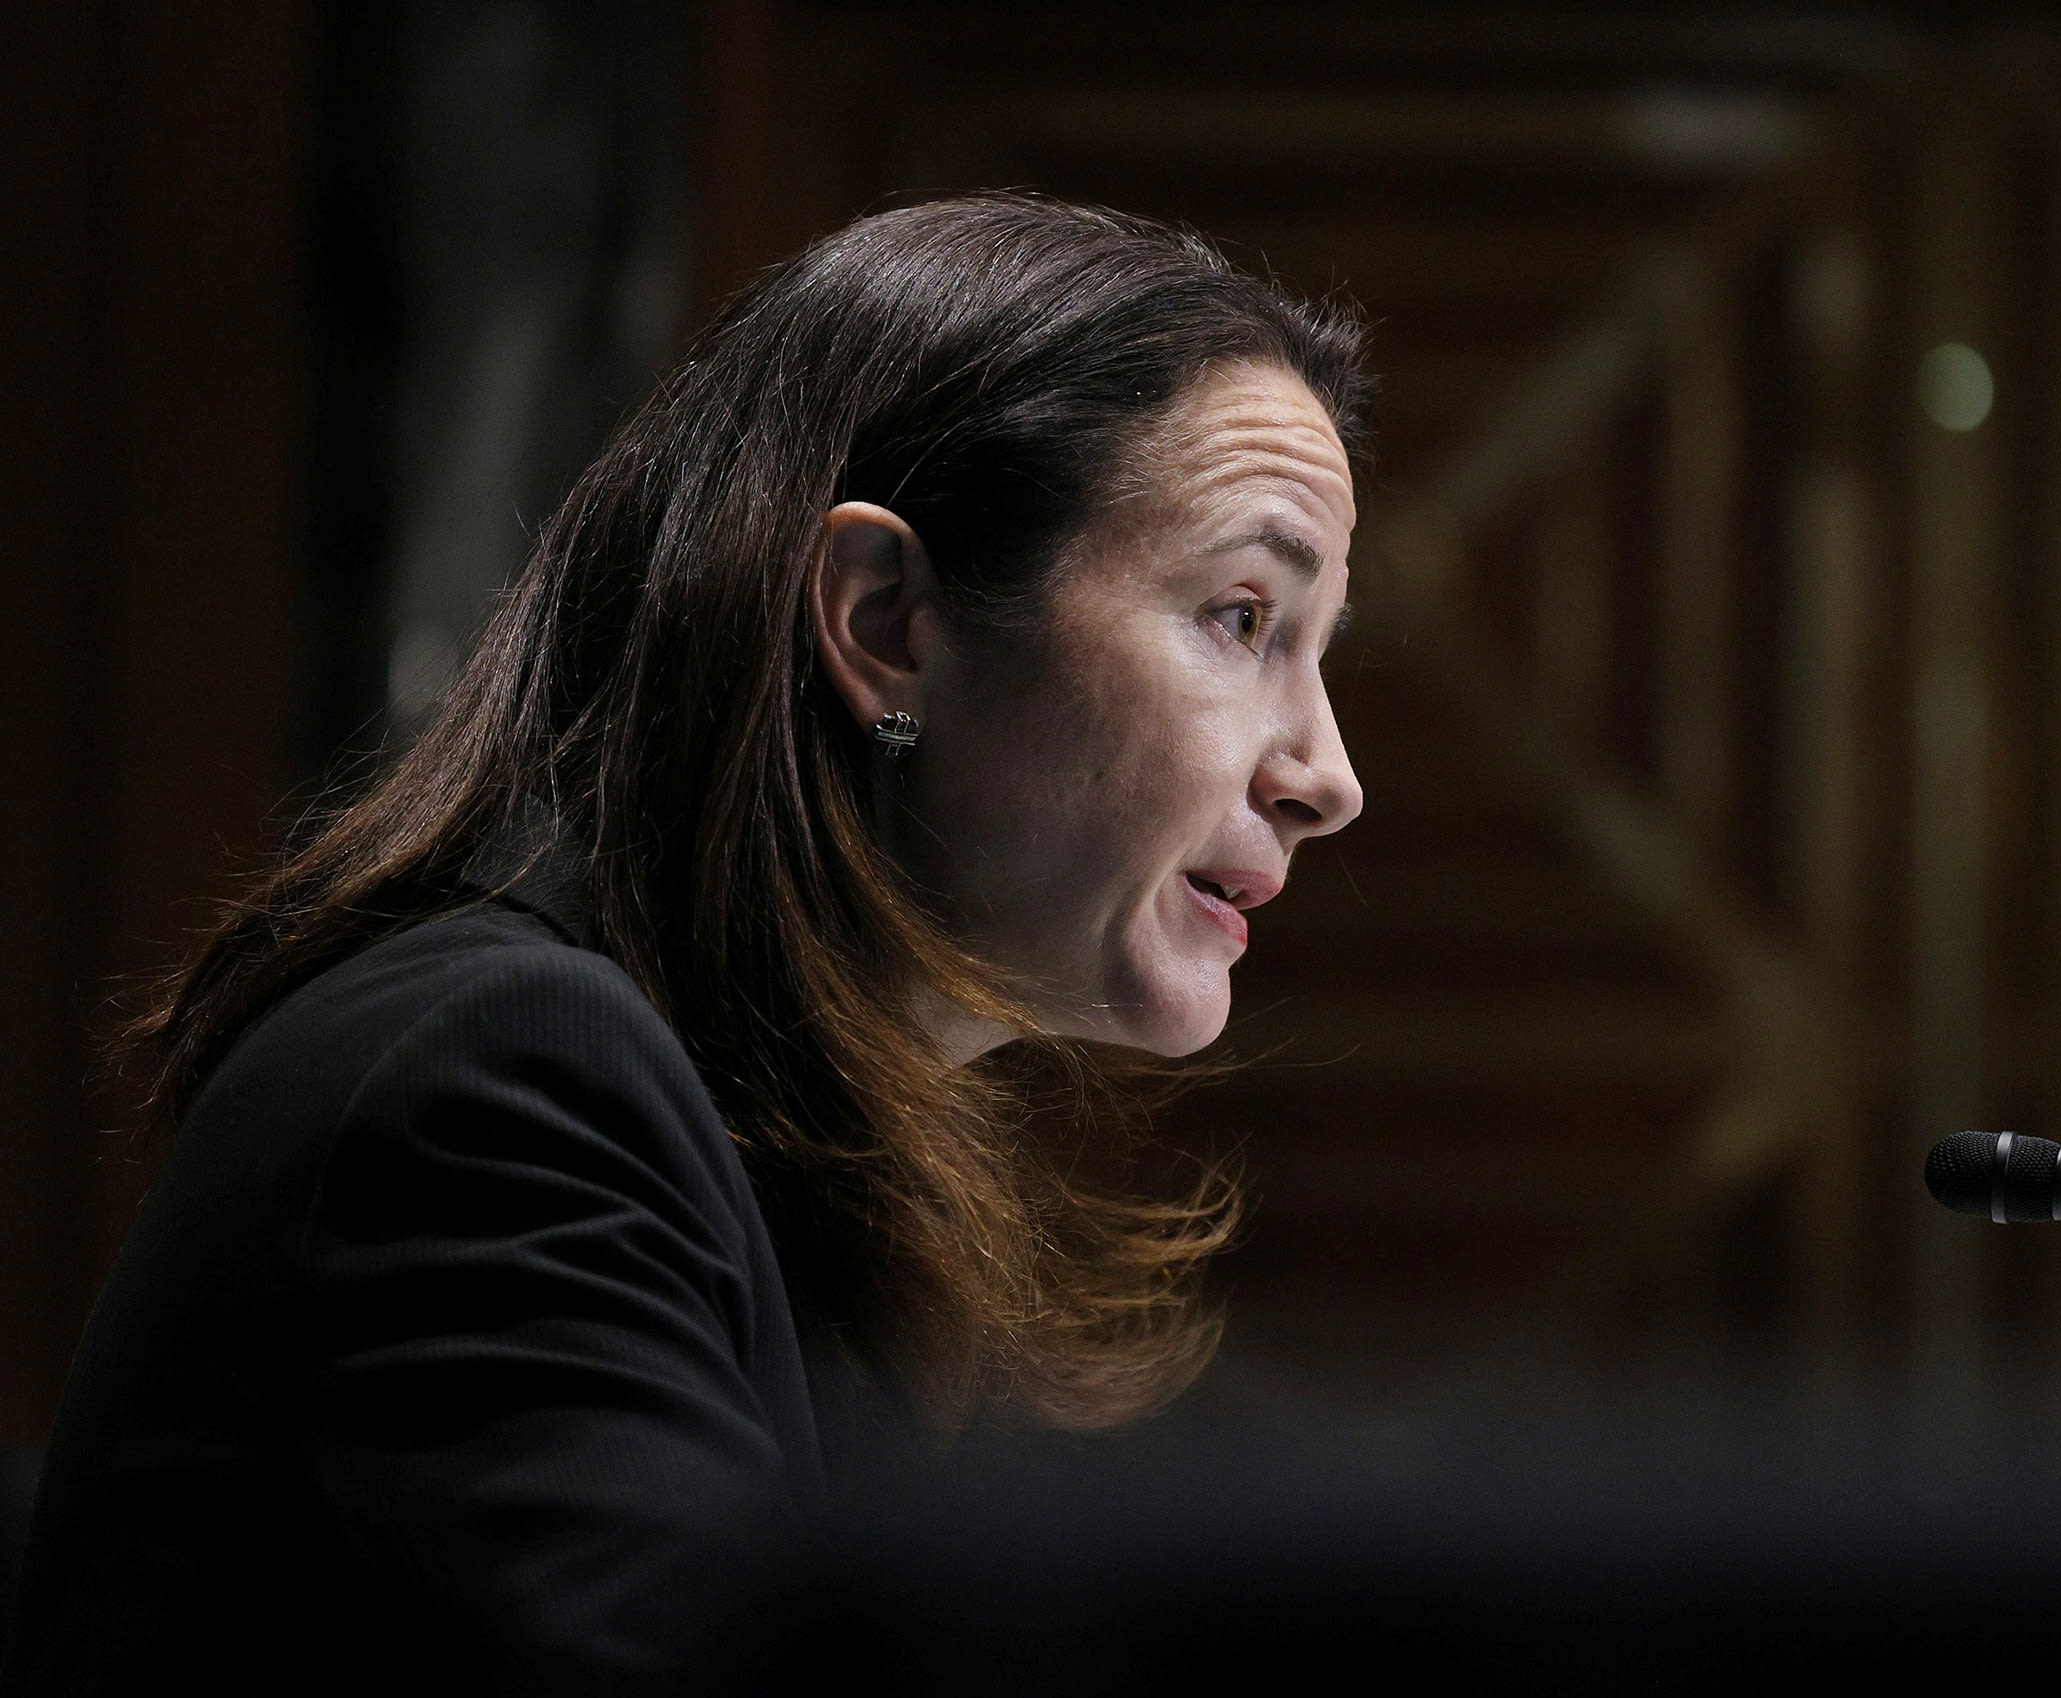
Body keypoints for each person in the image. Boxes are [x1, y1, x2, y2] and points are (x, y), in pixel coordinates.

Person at [6, 193, 1370, 1693]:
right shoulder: (506, 1084)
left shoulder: (776, 1148)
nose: (1325, 773)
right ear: (886, 621)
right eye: (1244, 617)